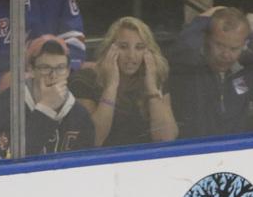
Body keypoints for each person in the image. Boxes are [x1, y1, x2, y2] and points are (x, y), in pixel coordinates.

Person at [168, 6, 253, 139]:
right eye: (219, 45)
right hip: (193, 154)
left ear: (244, 44)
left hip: (233, 152)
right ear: (206, 39)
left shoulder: (246, 74)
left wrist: (252, 34)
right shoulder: (190, 68)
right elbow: (182, 49)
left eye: (234, 48)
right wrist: (203, 19)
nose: (226, 55)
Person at [69, 16, 178, 147]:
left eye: (139, 47)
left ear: (148, 52)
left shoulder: (155, 78)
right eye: (123, 47)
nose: (131, 56)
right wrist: (111, 86)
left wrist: (152, 89)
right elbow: (93, 140)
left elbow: (167, 138)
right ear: (110, 48)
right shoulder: (84, 80)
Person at [0, 35, 94, 158]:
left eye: (60, 68)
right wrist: (45, 109)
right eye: (45, 68)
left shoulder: (79, 114)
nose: (53, 76)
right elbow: (7, 158)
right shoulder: (8, 103)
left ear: (68, 71)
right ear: (31, 69)